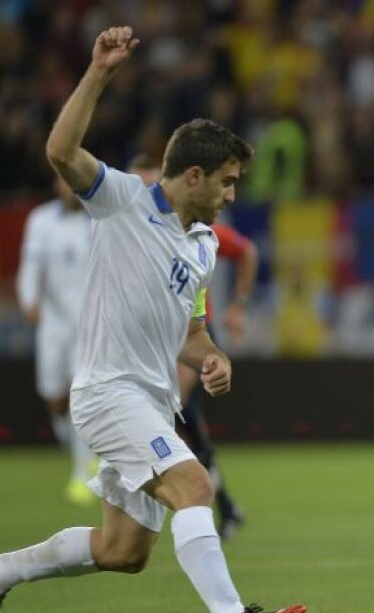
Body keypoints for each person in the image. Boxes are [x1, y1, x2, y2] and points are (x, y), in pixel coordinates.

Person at [0, 27, 304, 613]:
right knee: (195, 487)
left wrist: (213, 357)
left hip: (151, 397)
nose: (232, 195)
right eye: (226, 182)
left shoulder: (201, 245)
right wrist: (99, 73)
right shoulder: (122, 202)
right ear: (192, 174)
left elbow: (190, 333)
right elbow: (61, 150)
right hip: (108, 391)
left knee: (125, 551)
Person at [129, 153, 258, 538]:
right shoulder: (126, 232)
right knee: (185, 427)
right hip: (154, 343)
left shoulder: (197, 231)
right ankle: (225, 506)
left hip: (192, 338)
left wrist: (238, 307)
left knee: (176, 412)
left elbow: (248, 251)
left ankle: (195, 506)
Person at [16, 176, 95, 505]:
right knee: (54, 397)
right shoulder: (41, 220)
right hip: (52, 322)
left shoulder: (99, 218)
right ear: (55, 185)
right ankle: (78, 449)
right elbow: (30, 266)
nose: (69, 187)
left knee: (80, 396)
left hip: (89, 324)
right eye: (63, 182)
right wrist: (28, 301)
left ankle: (83, 471)